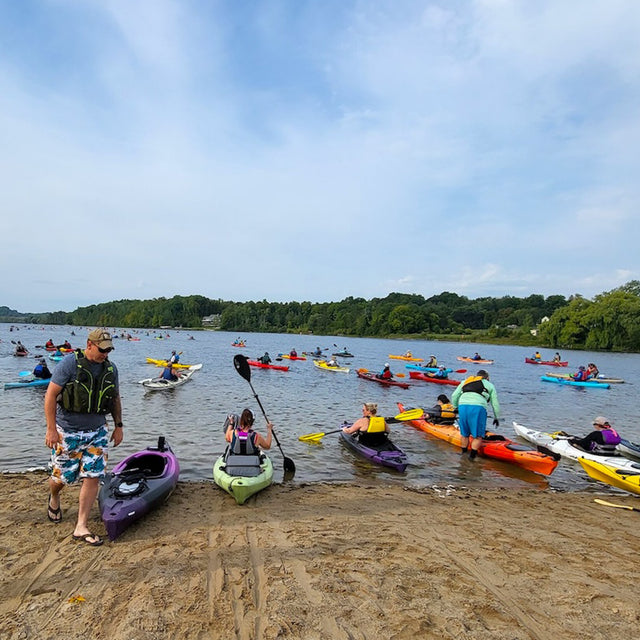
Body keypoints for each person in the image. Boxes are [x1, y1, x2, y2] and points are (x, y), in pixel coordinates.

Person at [44, 328, 124, 547]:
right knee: (62, 478)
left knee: (93, 476)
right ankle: (54, 496)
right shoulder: (69, 364)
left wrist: (118, 426)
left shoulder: (110, 369)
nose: (105, 355)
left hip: (97, 430)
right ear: (89, 344)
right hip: (67, 430)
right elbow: (50, 395)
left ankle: (81, 526)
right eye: (102, 350)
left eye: (109, 351)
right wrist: (51, 429)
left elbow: (115, 398)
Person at [451, 369, 500, 460]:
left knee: (464, 434)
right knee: (477, 436)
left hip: (462, 406)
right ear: (487, 377)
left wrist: (455, 408)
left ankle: (463, 454)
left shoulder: (465, 381)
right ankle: (472, 457)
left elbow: (454, 396)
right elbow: (495, 403)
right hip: (478, 408)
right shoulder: (489, 385)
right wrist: (496, 417)